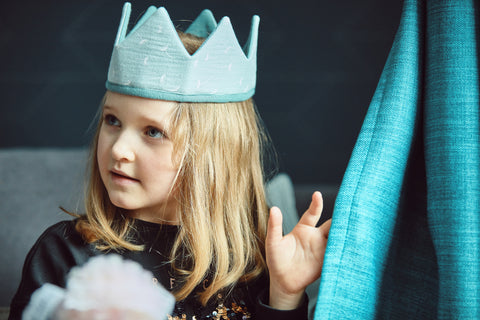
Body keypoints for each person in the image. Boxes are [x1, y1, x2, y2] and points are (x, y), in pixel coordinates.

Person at [9, 3, 331, 319]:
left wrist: (285, 295)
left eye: (152, 131)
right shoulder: (65, 253)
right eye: (112, 121)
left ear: (212, 155)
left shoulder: (252, 262)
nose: (119, 149)